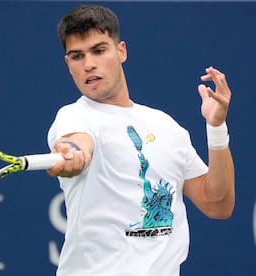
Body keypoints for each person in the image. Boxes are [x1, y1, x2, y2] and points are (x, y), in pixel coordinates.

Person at [46, 4, 235, 276]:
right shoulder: (74, 116)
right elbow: (78, 143)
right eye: (77, 56)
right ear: (68, 64)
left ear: (121, 51)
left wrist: (216, 128)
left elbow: (218, 204)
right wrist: (72, 153)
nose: (89, 64)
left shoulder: (166, 126)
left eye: (99, 50)